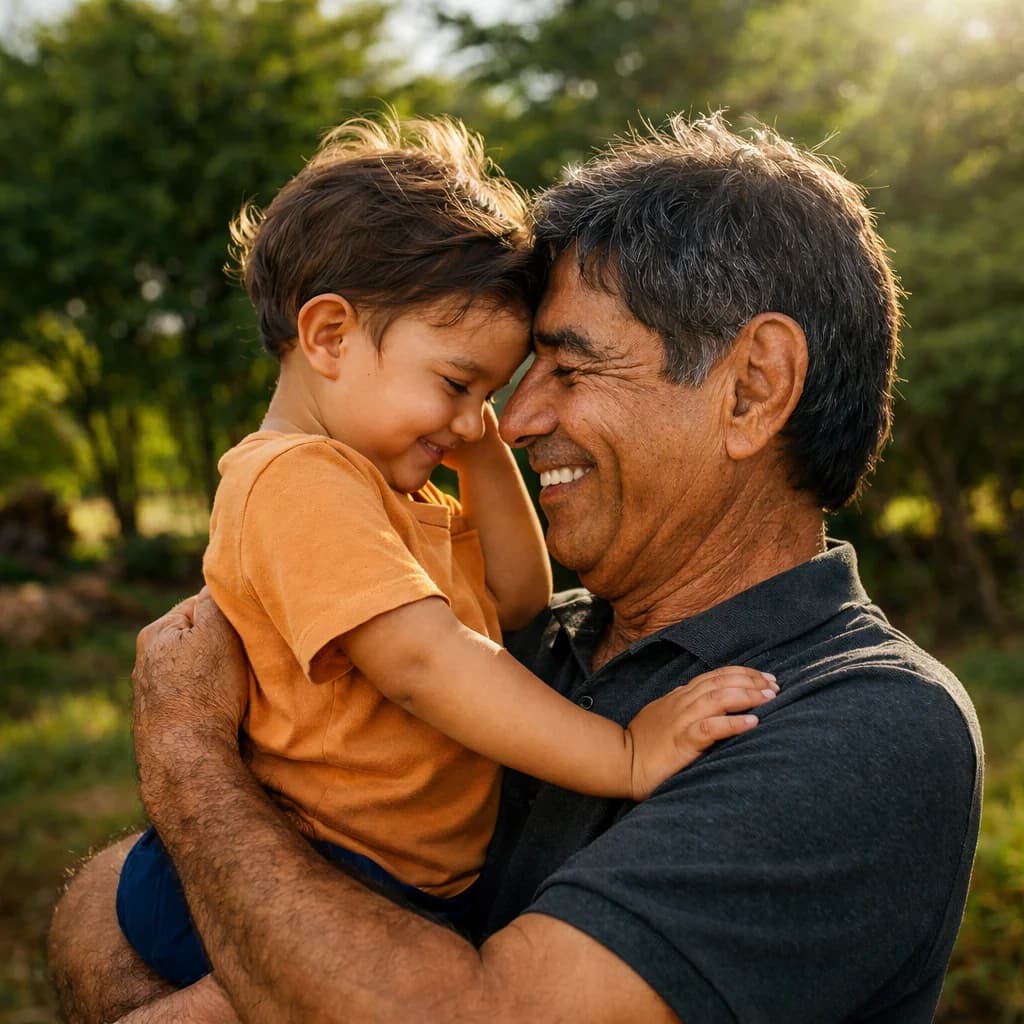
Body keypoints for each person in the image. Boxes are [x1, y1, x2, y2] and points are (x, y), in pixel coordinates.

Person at [49, 113, 982, 1024]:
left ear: (752, 387)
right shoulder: (535, 647)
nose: (512, 420)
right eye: (485, 383)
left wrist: (184, 753)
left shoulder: (864, 723)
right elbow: (111, 904)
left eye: (567, 371)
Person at [111, 114, 776, 991]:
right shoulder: (297, 483)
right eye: (458, 384)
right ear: (330, 337)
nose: (475, 416)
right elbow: (425, 664)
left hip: (383, 877)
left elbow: (517, 600)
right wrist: (623, 754)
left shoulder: (397, 490)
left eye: (487, 396)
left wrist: (481, 451)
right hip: (308, 863)